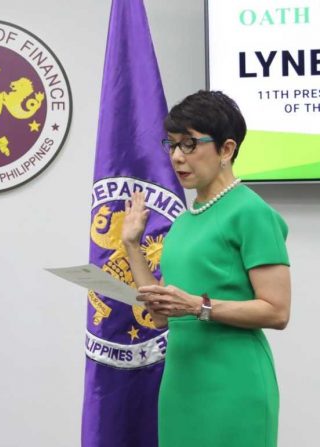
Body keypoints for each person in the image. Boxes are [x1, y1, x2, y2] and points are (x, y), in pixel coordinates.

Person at [121, 90, 291, 447]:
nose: (177, 157)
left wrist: (199, 307)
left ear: (226, 149)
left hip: (233, 383)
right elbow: (161, 317)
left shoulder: (251, 213)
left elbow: (277, 311)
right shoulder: (185, 221)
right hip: (182, 382)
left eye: (189, 145)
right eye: (172, 145)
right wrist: (132, 245)